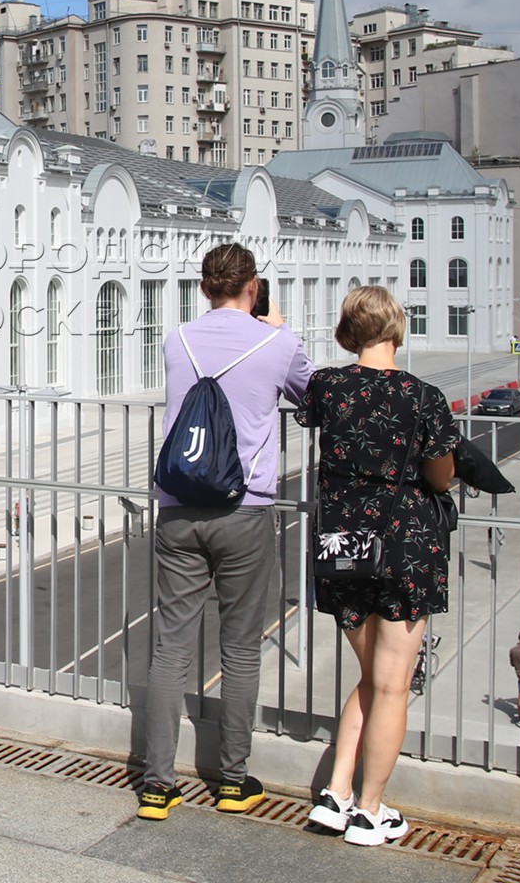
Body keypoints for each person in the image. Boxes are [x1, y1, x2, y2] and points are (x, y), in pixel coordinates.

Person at [137, 244, 313, 821]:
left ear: (205, 286)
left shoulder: (177, 338)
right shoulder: (278, 343)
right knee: (239, 648)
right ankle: (233, 781)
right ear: (253, 286)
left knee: (172, 647)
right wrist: (282, 331)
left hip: (179, 508)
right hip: (245, 510)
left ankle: (158, 786)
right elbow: (312, 396)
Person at [298, 285, 458, 848]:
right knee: (392, 687)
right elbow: (440, 476)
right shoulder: (424, 397)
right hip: (403, 545)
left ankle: (336, 794)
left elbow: (306, 401)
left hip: (342, 543)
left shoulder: (327, 387)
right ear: (397, 328)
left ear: (348, 332)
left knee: (371, 677)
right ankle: (370, 811)